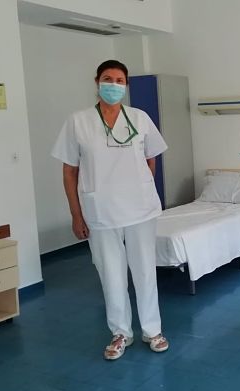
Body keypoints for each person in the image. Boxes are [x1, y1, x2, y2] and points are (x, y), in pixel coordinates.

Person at [52, 60, 169, 360]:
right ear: (97, 82)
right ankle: (120, 333)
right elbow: (69, 171)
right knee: (111, 274)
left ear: (126, 85)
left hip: (140, 209)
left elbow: (151, 157)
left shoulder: (139, 118)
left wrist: (141, 185)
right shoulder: (78, 122)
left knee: (145, 271)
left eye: (119, 80)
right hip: (100, 211)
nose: (113, 85)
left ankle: (152, 330)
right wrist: (76, 214)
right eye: (108, 79)